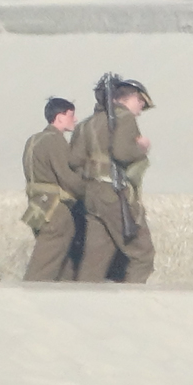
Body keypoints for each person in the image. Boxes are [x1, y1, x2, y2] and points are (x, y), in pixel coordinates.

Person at [73, 77, 156, 283]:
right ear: (131, 98)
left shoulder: (87, 124)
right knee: (142, 255)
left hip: (92, 194)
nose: (141, 108)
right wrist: (141, 148)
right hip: (114, 193)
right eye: (140, 102)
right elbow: (121, 152)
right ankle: (130, 306)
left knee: (95, 260)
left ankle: (79, 306)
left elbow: (74, 159)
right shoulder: (125, 118)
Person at [21, 97, 84, 282]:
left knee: (64, 269)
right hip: (56, 211)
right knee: (41, 271)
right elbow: (67, 177)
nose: (76, 119)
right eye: (71, 115)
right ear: (59, 117)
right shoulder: (55, 141)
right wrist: (89, 191)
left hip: (38, 208)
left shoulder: (33, 140)